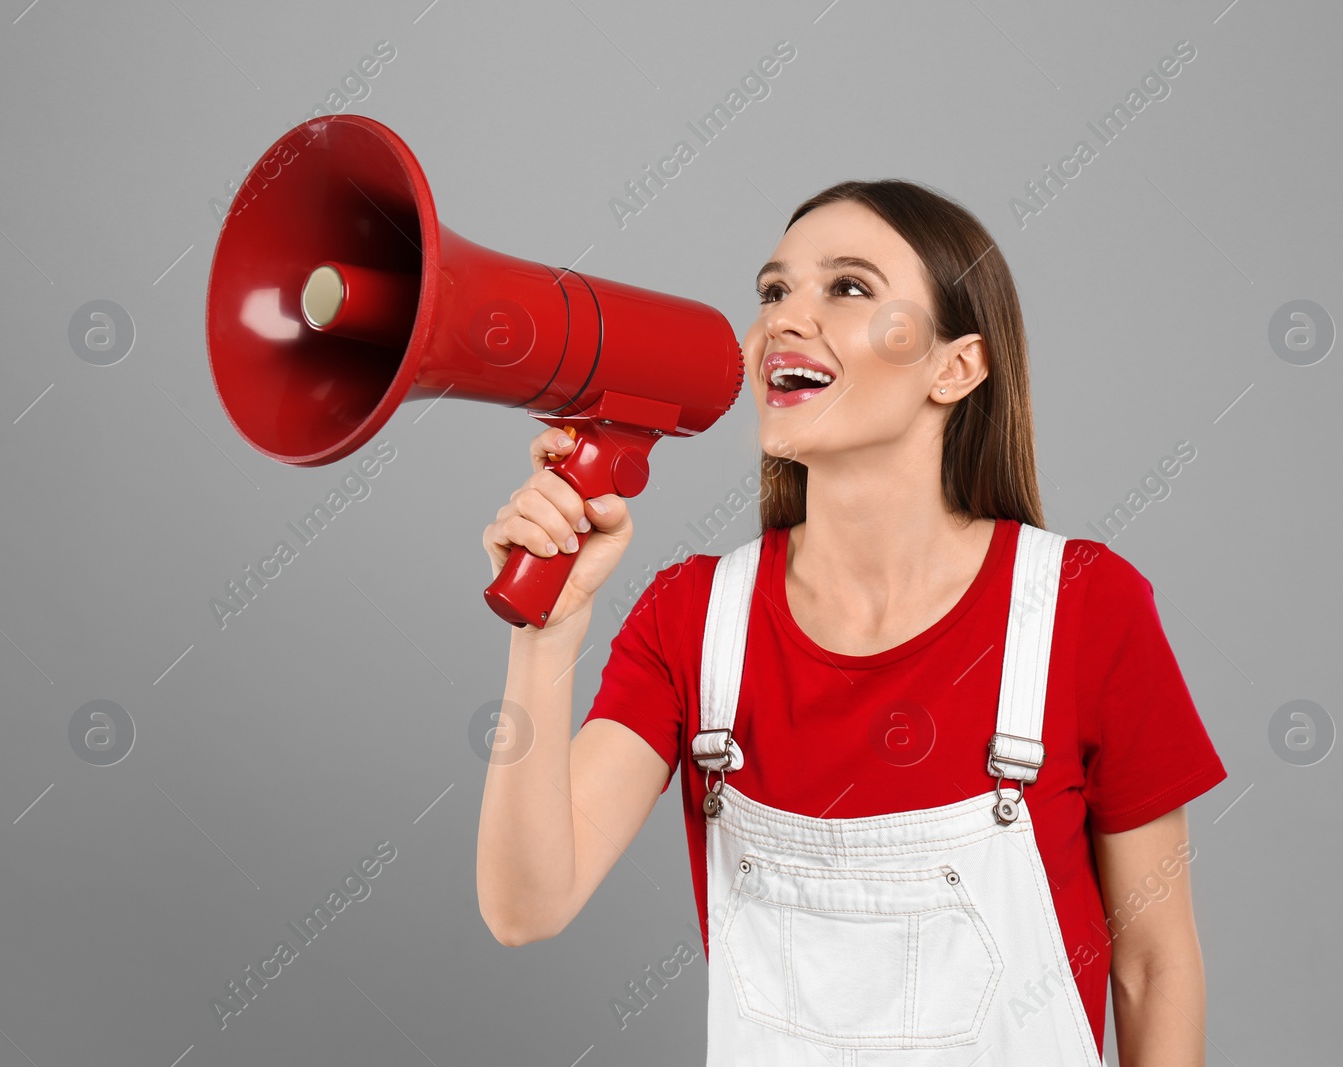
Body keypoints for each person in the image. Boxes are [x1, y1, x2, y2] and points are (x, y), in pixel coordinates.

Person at [476, 179, 1227, 1066]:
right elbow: (526, 905)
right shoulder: (695, 619)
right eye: (773, 291)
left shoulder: (1083, 608)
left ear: (956, 367)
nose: (786, 321)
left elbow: (1154, 965)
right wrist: (546, 637)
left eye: (849, 287)